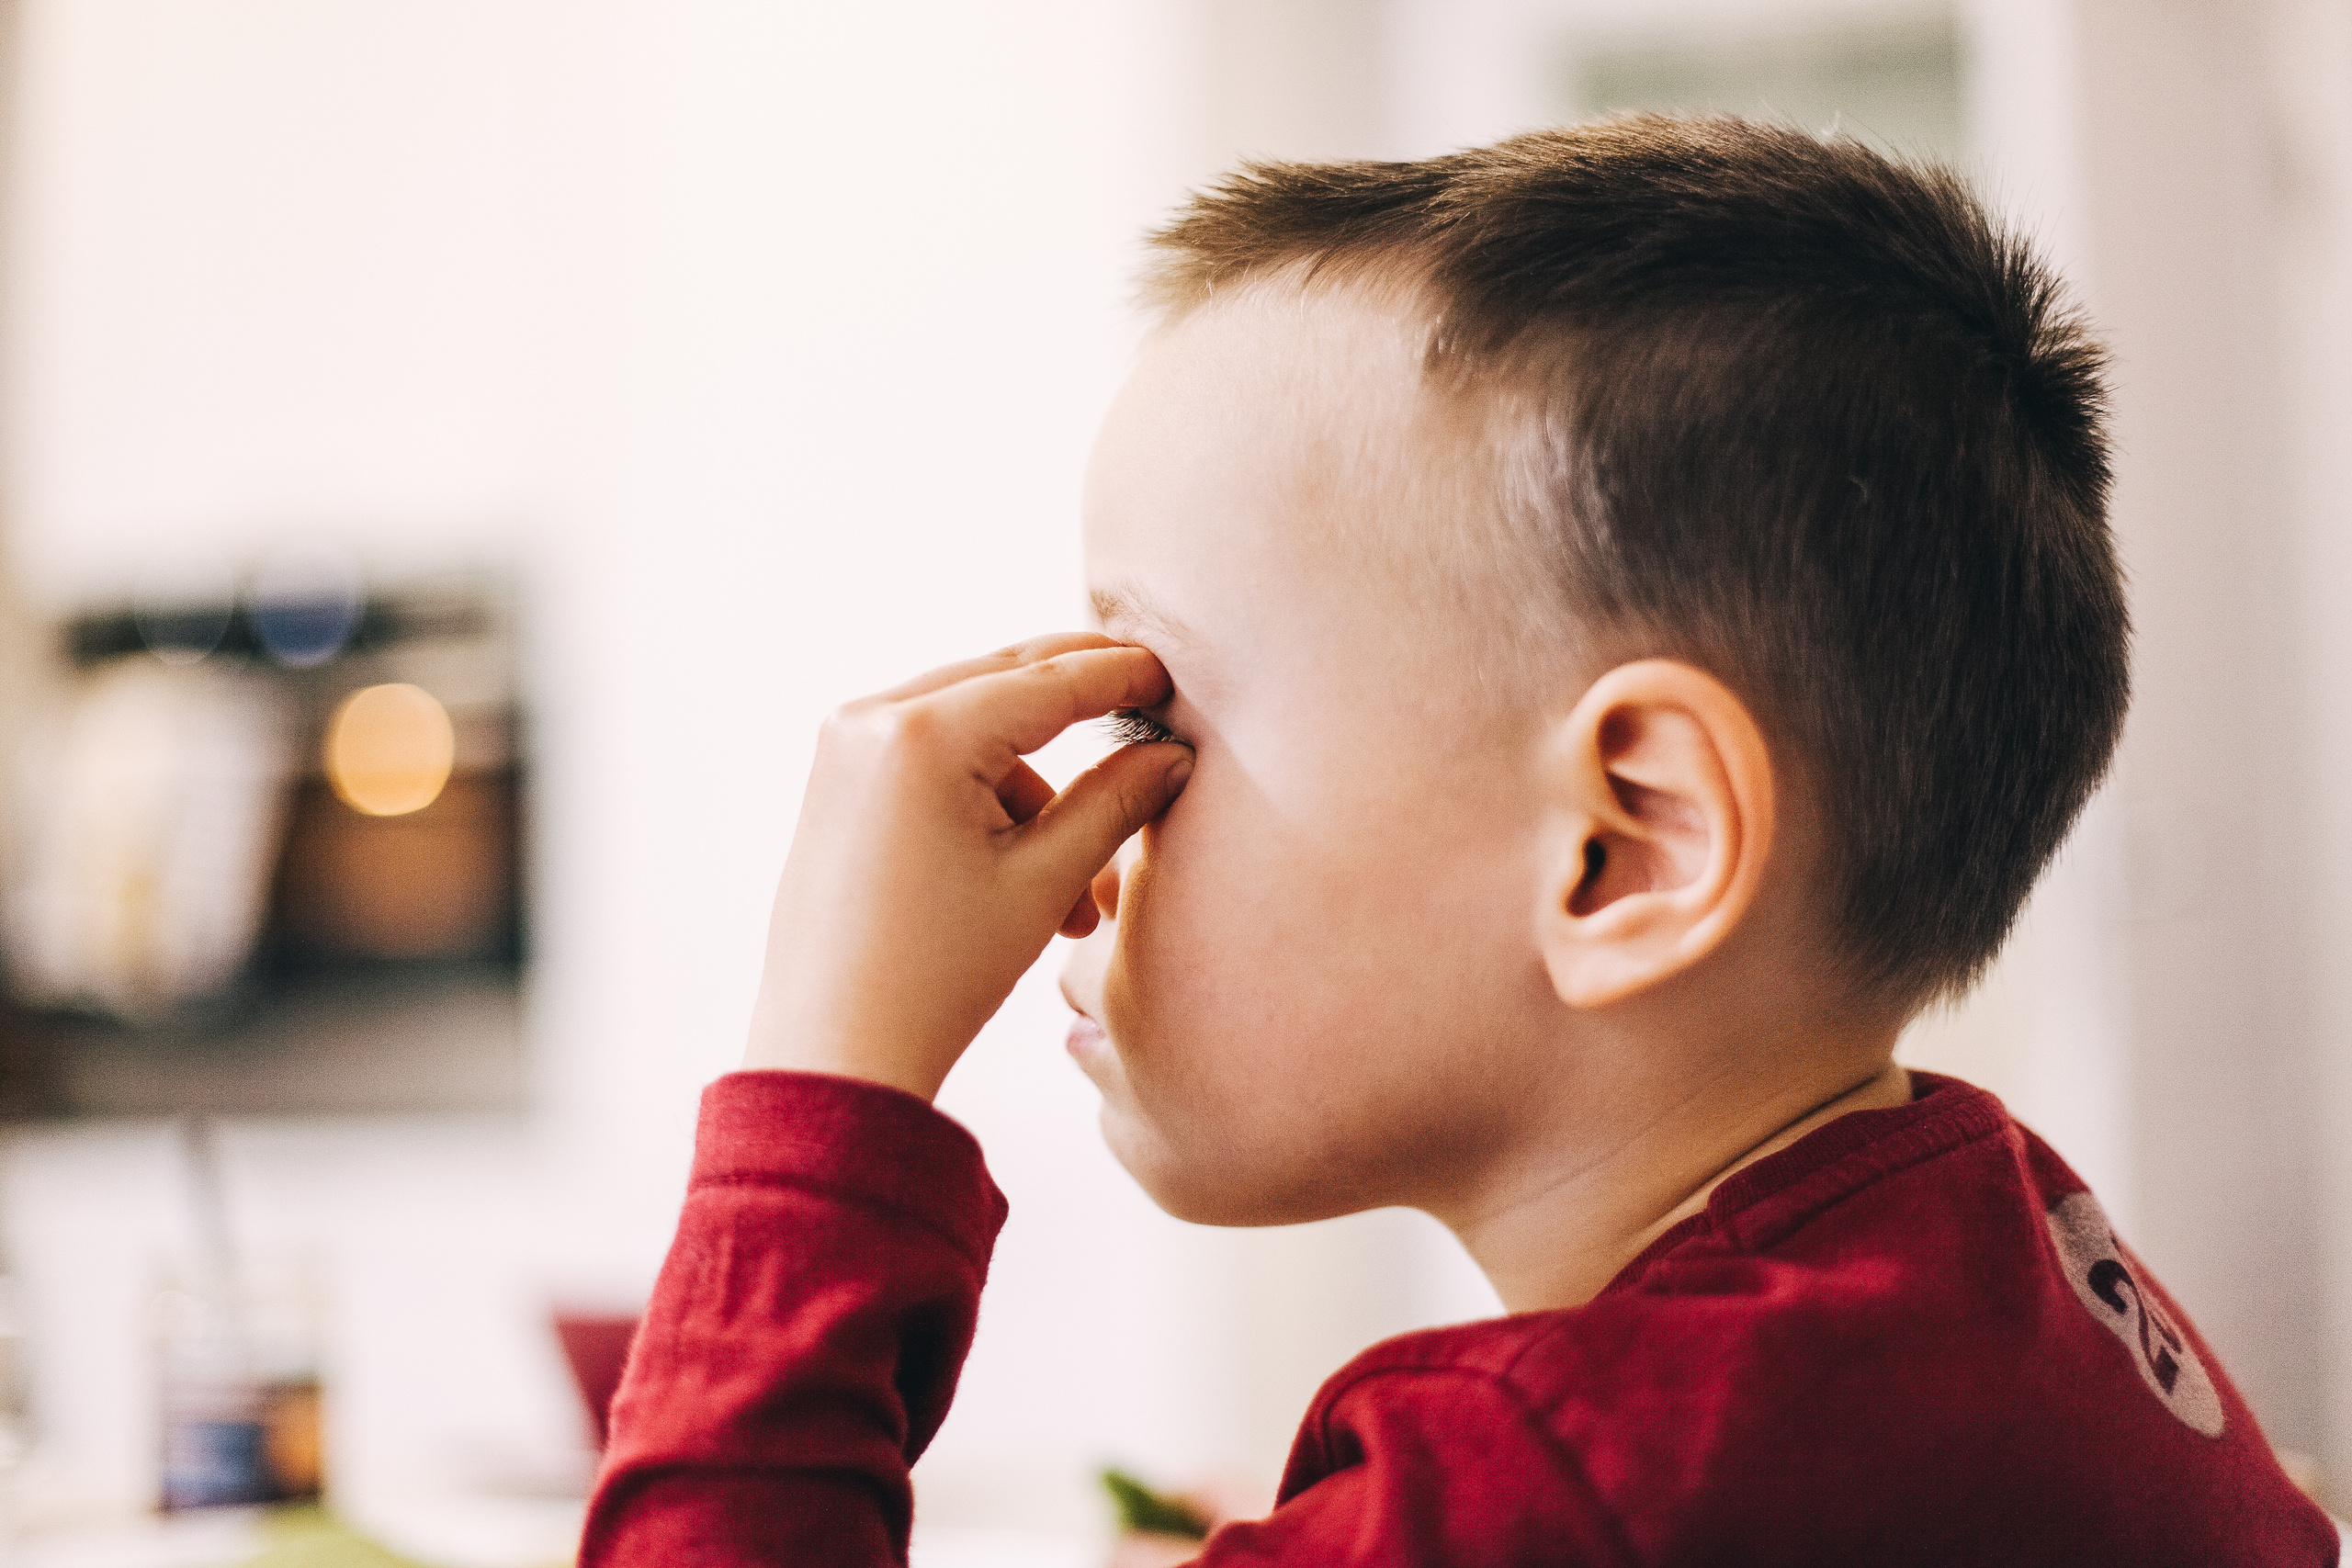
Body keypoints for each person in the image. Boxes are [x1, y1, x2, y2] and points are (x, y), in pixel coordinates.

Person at [577, 116, 2339, 1564]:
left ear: (1626, 846)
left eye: (1153, 721)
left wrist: (824, 1098)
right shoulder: (1987, 1250)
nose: (1077, 866)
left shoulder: (1544, 1490)